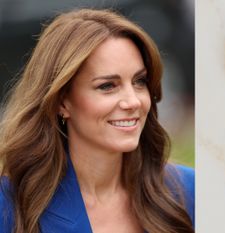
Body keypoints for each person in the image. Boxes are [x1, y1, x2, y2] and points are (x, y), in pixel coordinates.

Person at [0, 8, 194, 233]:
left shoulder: (190, 191)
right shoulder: (10, 205)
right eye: (107, 86)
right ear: (62, 102)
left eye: (139, 81)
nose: (133, 101)